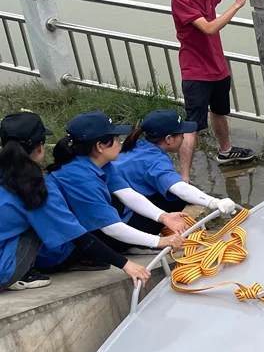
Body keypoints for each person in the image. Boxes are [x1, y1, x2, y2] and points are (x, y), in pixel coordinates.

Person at [0, 112, 152, 292]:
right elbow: (78, 236)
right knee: (40, 222)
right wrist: (126, 264)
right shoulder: (36, 188)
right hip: (4, 271)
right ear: (40, 147)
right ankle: (23, 274)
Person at [171, 0, 264, 181]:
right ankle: (183, 179)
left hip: (218, 67)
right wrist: (237, 5)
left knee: (219, 112)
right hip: (196, 71)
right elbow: (209, 28)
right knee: (192, 126)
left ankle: (226, 151)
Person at [46, 111, 187, 256]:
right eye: (115, 138)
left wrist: (163, 216)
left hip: (80, 236)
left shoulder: (98, 163)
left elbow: (128, 194)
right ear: (100, 146)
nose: (119, 142)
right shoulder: (81, 178)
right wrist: (158, 241)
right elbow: (111, 228)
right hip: (61, 250)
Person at [116, 108, 240, 233]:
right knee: (177, 197)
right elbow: (179, 189)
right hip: (123, 224)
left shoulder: (139, 145)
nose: (183, 137)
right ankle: (141, 238)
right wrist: (214, 202)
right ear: (169, 139)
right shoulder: (154, 161)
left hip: (115, 210)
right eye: (181, 134)